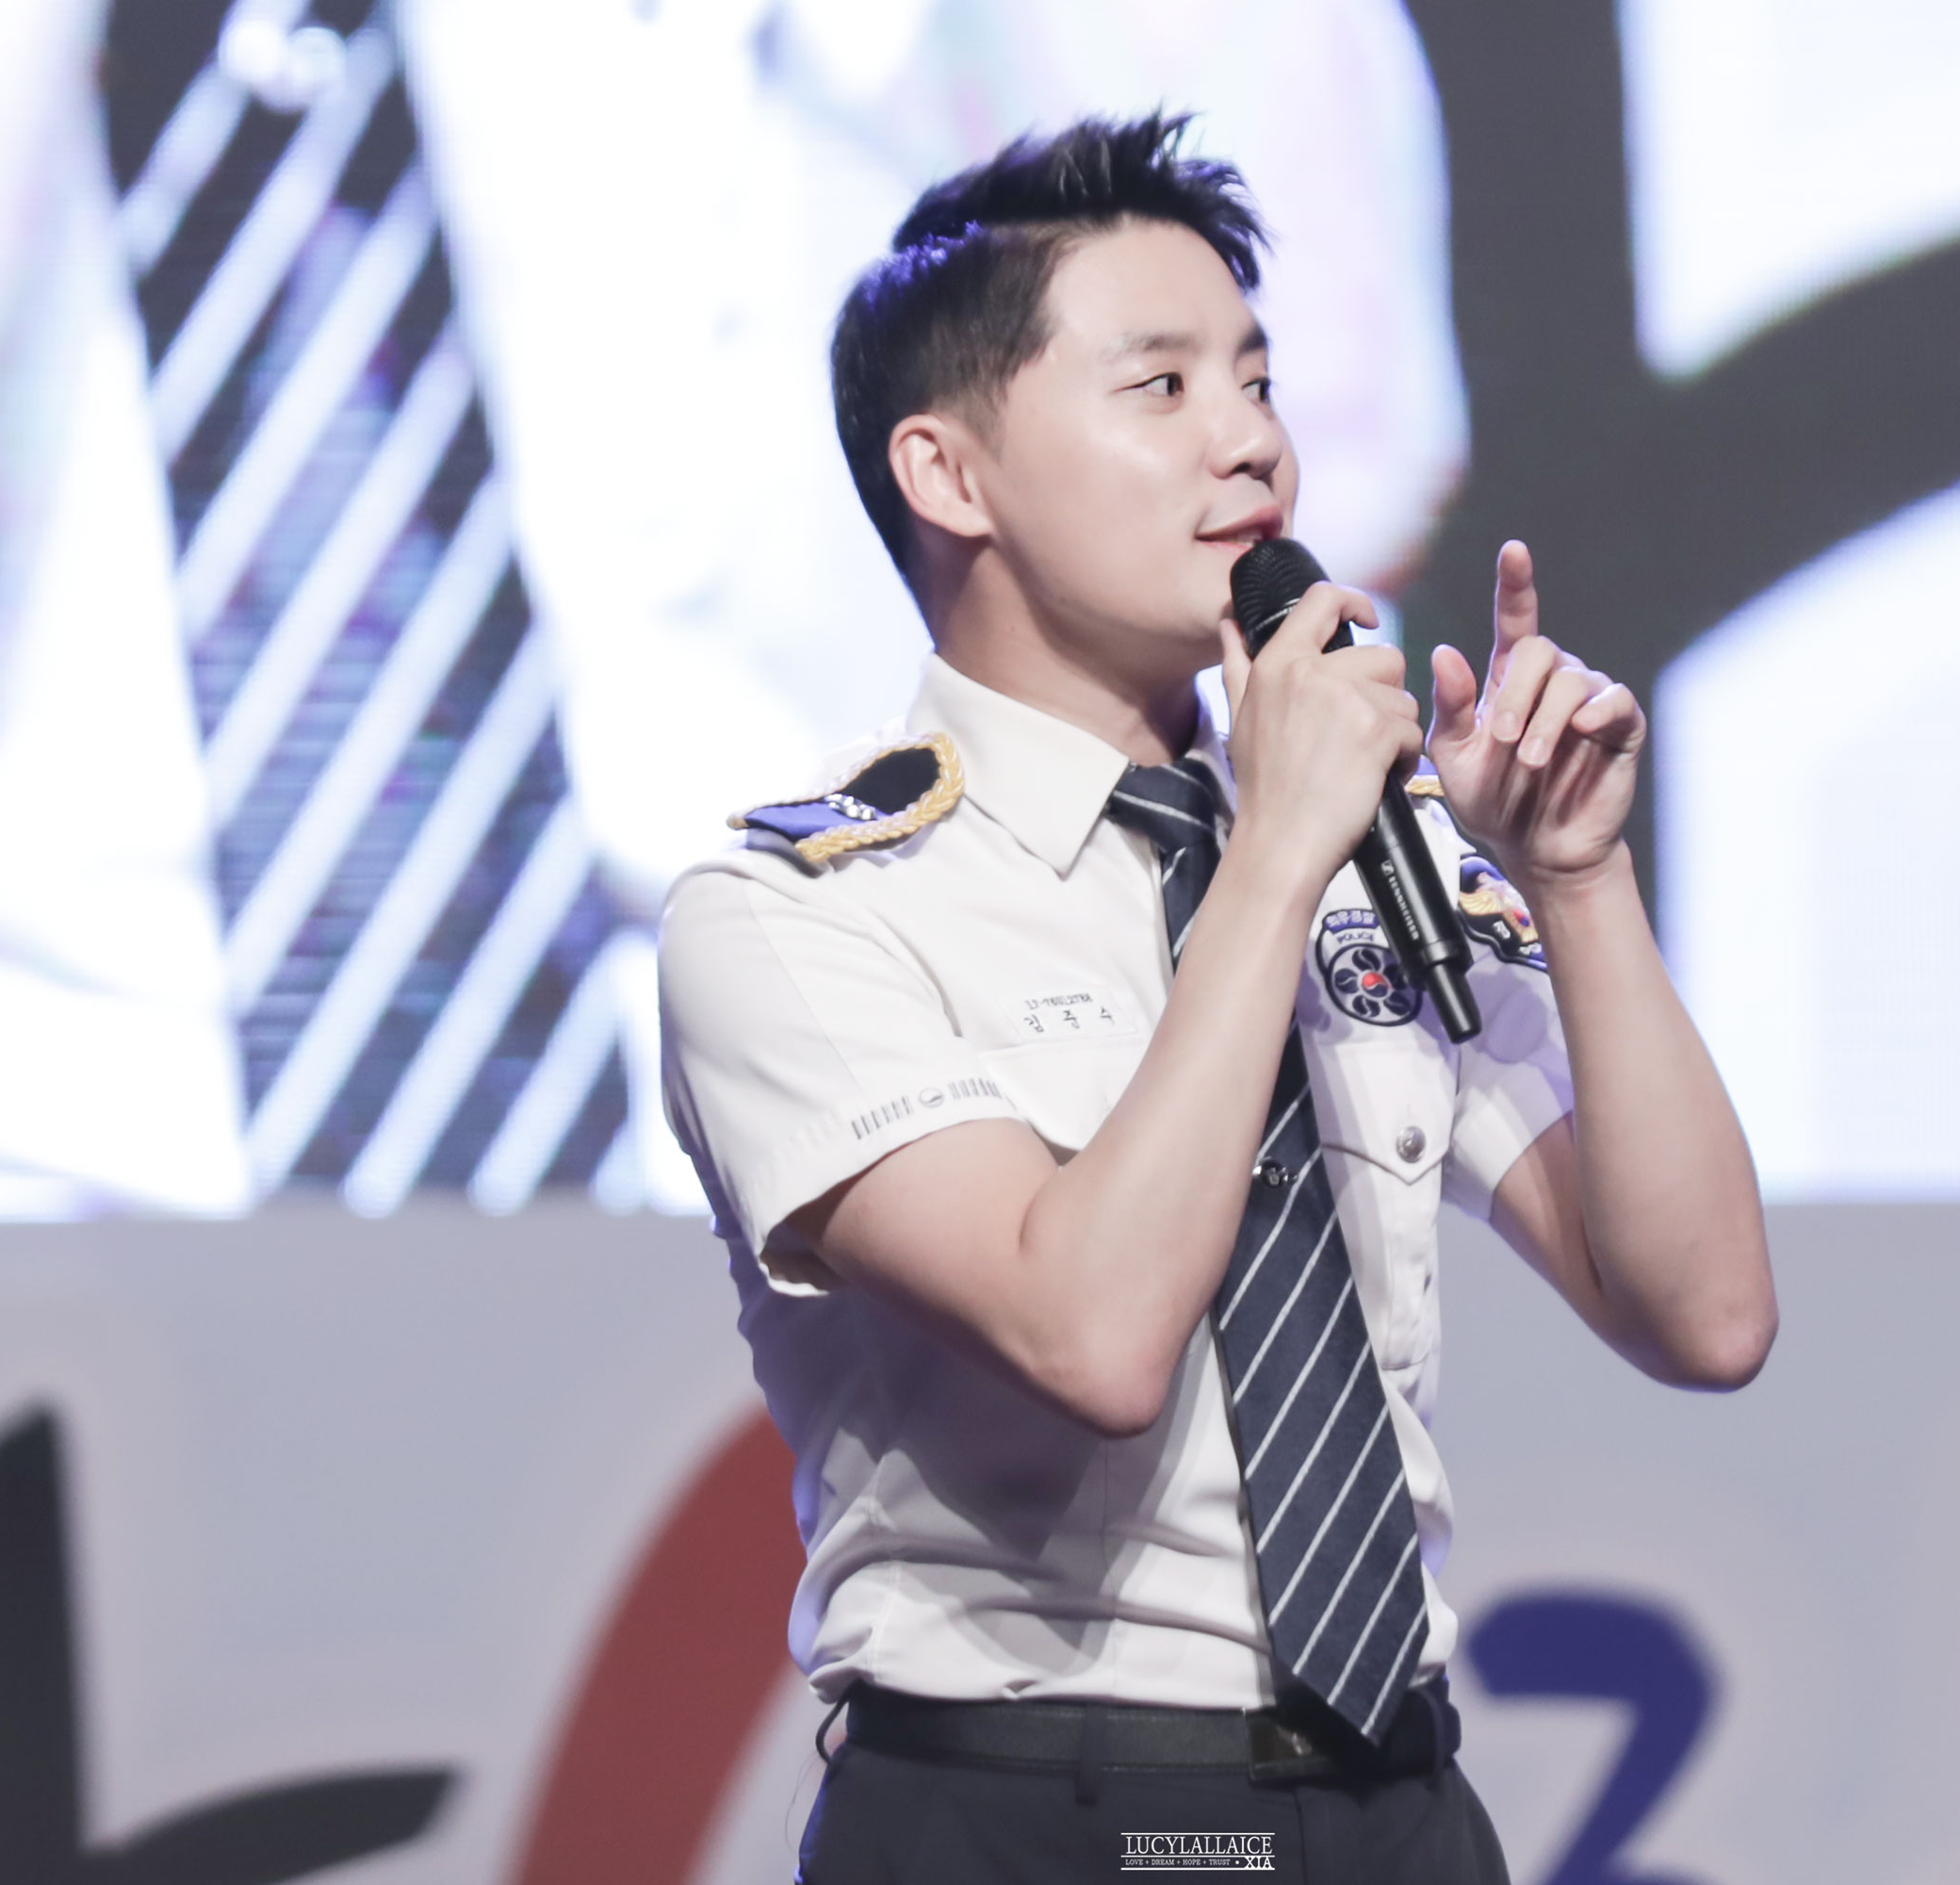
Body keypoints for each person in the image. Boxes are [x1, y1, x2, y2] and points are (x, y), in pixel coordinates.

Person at [657, 113, 1774, 1884]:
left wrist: (1575, 879)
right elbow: (1091, 1335)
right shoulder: (805, 912)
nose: (1251, 439)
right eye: (1160, 386)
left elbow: (1703, 1316)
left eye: (1256, 378)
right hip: (1036, 1810)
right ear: (949, 474)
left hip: (1403, 1801)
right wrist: (1272, 860)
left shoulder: (1360, 853)